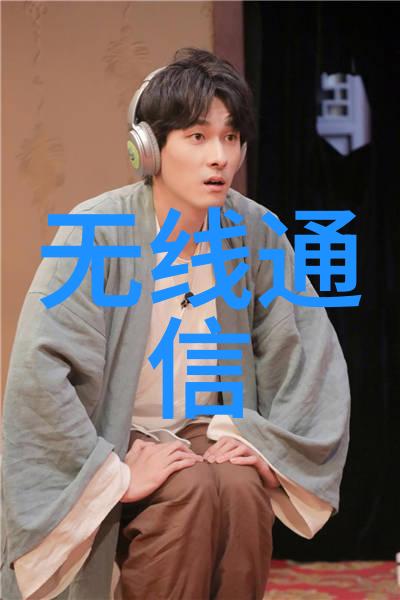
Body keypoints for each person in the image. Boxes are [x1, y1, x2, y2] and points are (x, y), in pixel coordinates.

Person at [2, 48, 350, 600]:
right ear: (148, 147)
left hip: (209, 431)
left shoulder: (255, 232)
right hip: (115, 438)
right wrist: (115, 473)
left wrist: (265, 443)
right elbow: (40, 374)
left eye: (230, 137)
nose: (220, 157)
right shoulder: (97, 232)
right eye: (197, 137)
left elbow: (305, 353)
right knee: (189, 494)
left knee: (240, 489)